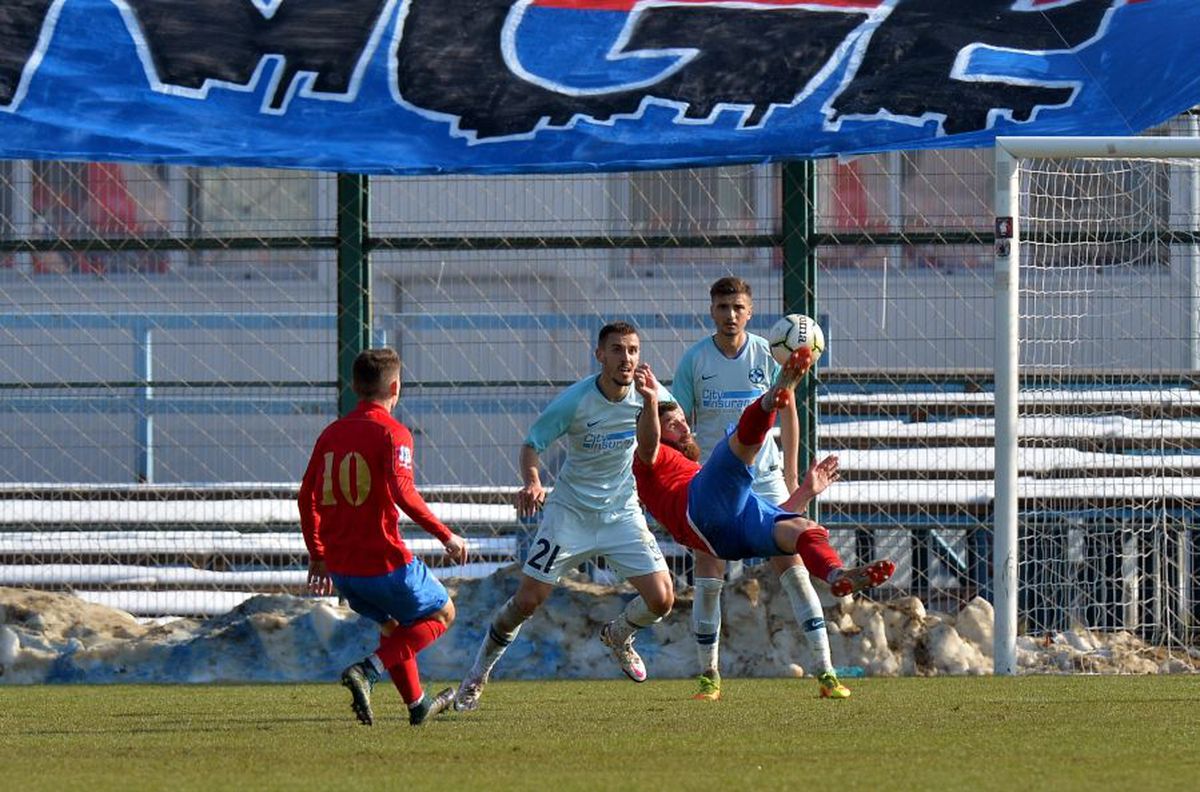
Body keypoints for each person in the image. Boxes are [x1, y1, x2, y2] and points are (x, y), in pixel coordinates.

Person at [633, 350, 895, 696]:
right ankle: (771, 399)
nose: (684, 425)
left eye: (684, 419)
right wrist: (652, 401)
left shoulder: (693, 467)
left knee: (799, 529)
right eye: (673, 423)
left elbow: (774, 516)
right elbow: (648, 440)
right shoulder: (650, 459)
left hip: (732, 524)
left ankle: (836, 576)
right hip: (700, 510)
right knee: (734, 450)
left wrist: (805, 490)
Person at [455, 322, 676, 711]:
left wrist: (652, 405)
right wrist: (533, 481)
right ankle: (476, 675)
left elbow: (650, 452)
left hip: (620, 513)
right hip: (569, 515)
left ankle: (619, 635)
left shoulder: (649, 395)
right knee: (527, 601)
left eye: (633, 350)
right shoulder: (575, 401)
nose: (626, 358)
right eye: (617, 350)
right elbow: (532, 444)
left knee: (661, 598)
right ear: (600, 356)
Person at [672, 276, 846, 700]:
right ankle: (708, 677)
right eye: (722, 307)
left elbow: (787, 415)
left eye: (738, 308)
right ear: (711, 311)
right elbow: (679, 419)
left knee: (792, 567)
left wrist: (790, 476)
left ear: (750, 312)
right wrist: (691, 463)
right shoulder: (694, 360)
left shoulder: (767, 356)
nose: (730, 315)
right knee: (709, 574)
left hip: (765, 478)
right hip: (715, 482)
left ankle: (826, 673)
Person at [298, 347, 468, 727]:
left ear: (355, 387)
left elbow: (305, 495)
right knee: (444, 612)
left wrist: (318, 554)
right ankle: (368, 671)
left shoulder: (332, 433)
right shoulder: (394, 433)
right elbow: (403, 493)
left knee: (395, 629)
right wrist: (447, 536)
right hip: (383, 562)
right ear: (395, 386)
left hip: (343, 571)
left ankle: (418, 705)